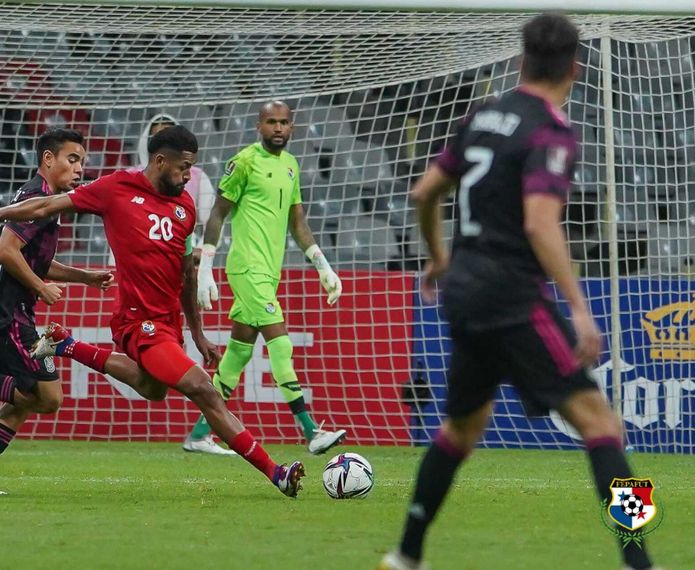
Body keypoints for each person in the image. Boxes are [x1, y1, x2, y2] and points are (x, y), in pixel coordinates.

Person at [378, 14, 656, 570]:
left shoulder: (484, 115)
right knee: (601, 424)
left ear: (521, 61)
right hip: (512, 293)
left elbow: (424, 192)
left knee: (462, 427)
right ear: (576, 68)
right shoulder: (551, 130)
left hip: (463, 289)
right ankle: (640, 562)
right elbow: (539, 224)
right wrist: (579, 308)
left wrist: (438, 258)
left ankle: (405, 555)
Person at [0, 124, 305, 498]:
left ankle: (66, 345)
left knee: (152, 389)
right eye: (183, 168)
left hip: (168, 322)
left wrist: (197, 332)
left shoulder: (185, 207)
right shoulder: (115, 188)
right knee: (202, 389)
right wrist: (1, 211)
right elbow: (47, 204)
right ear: (160, 161)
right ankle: (276, 473)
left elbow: (186, 275)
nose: (188, 176)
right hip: (137, 322)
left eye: (191, 168)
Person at [0, 128, 117, 495]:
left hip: (11, 307)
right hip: (8, 309)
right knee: (48, 398)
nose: (79, 168)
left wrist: (85, 277)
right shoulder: (37, 196)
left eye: (82, 161)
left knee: (25, 398)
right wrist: (39, 287)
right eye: (72, 159)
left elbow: (37, 260)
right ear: (49, 159)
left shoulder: (45, 199)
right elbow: (5, 251)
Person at [189, 100, 347, 456]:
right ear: (259, 126)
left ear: (292, 127)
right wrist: (205, 270)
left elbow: (298, 223)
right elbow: (217, 214)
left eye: (284, 123)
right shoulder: (244, 162)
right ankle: (310, 431)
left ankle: (200, 434)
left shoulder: (290, 165)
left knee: (237, 356)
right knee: (281, 344)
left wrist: (323, 266)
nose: (278, 128)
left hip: (268, 273)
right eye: (271, 122)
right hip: (247, 269)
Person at [106, 113, 217, 266]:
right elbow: (118, 225)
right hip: (136, 261)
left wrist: (202, 251)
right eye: (157, 137)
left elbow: (213, 218)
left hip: (182, 259)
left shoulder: (197, 176)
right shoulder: (127, 178)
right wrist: (114, 265)